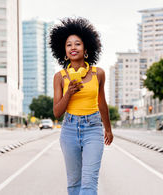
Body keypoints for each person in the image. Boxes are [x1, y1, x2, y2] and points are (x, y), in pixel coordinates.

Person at [51, 17, 113, 195]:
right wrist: (69, 92)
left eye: (77, 44)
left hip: (93, 128)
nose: (73, 48)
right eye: (69, 45)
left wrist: (108, 129)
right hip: (69, 129)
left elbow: (102, 103)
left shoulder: (98, 73)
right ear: (64, 51)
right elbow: (57, 112)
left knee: (89, 183)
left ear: (86, 49)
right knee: (74, 184)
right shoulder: (60, 77)